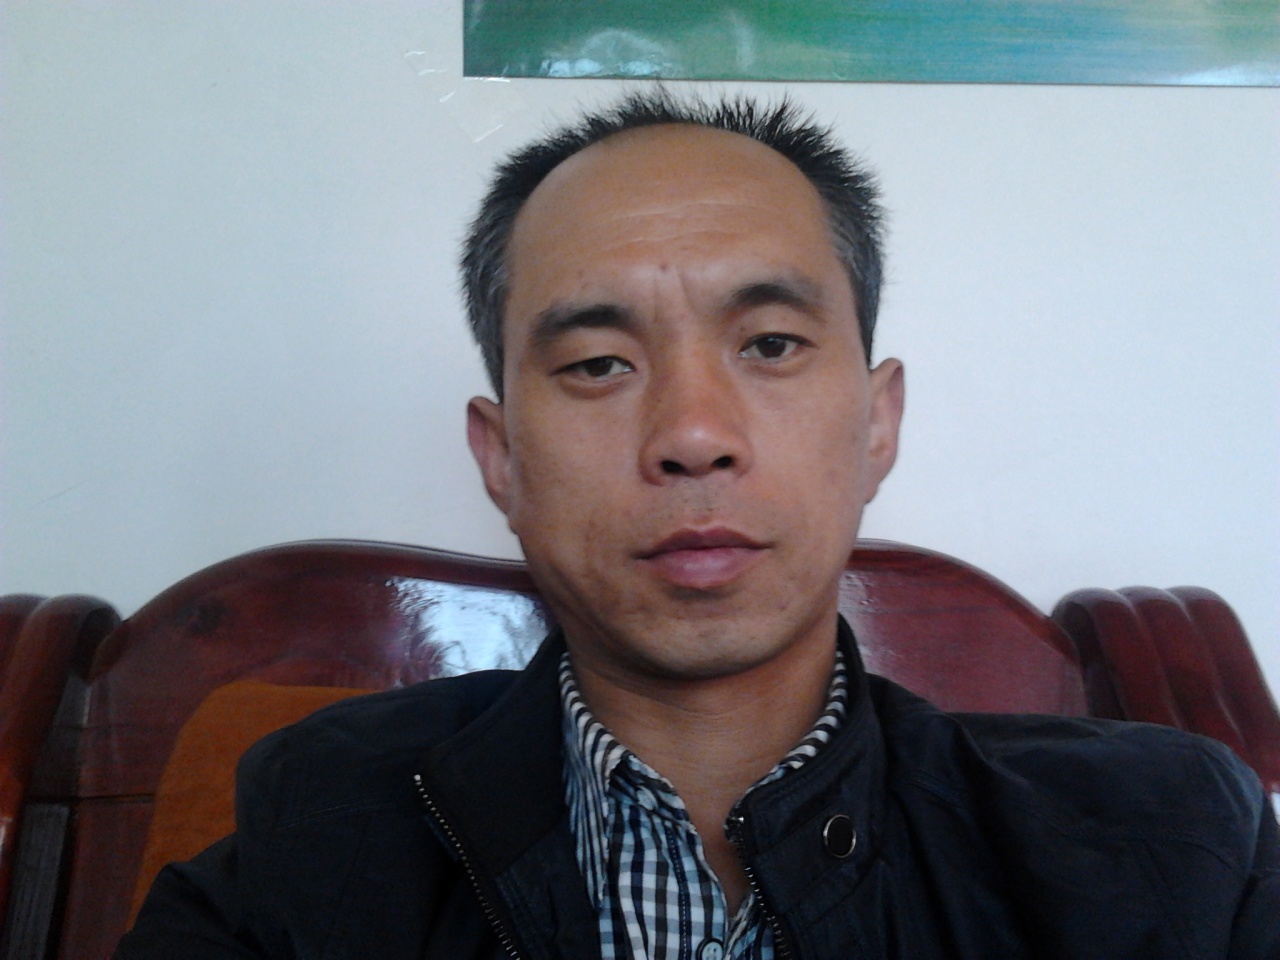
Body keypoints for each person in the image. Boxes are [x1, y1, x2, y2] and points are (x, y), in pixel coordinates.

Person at [116, 90, 1278, 959]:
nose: (691, 434)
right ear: (500, 458)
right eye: (597, 362)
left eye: (768, 344)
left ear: (876, 424)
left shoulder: (1167, 850)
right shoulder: (314, 841)